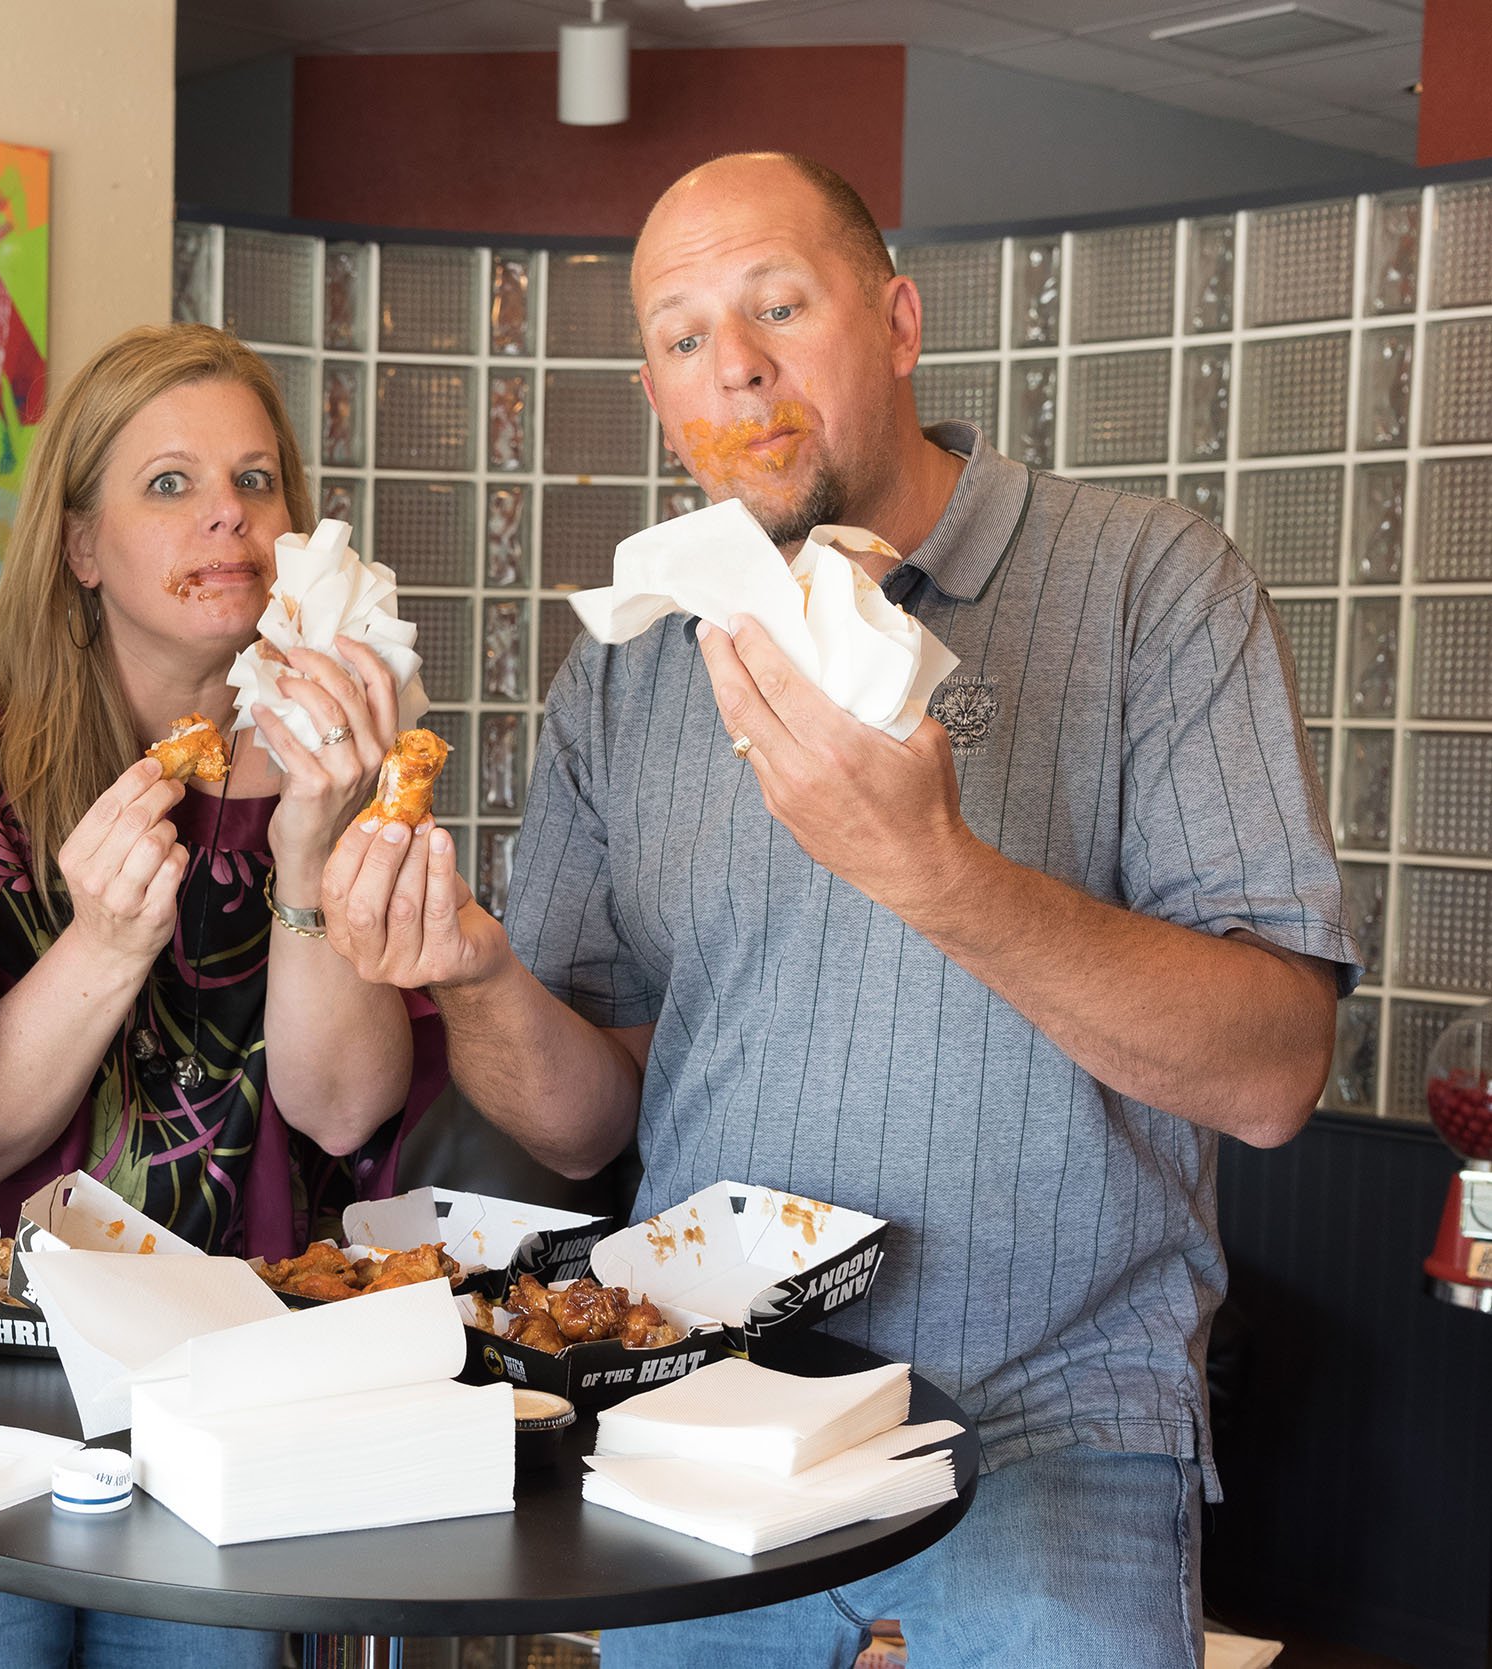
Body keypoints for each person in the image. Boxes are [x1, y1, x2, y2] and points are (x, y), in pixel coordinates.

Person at [320, 153, 1356, 1667]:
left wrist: (939, 871)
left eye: (779, 305)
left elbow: (1273, 1075)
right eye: (682, 336)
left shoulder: (1151, 585)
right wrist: (474, 974)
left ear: (898, 322)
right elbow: (580, 1122)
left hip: (1052, 1417)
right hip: (714, 1420)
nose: (733, 363)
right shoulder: (627, 669)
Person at [0, 323, 446, 1669]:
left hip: (229, 1381)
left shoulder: (344, 751)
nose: (225, 509)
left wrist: (307, 851)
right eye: (168, 484)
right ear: (81, 546)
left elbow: (344, 1105)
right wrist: (108, 946)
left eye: (255, 479)